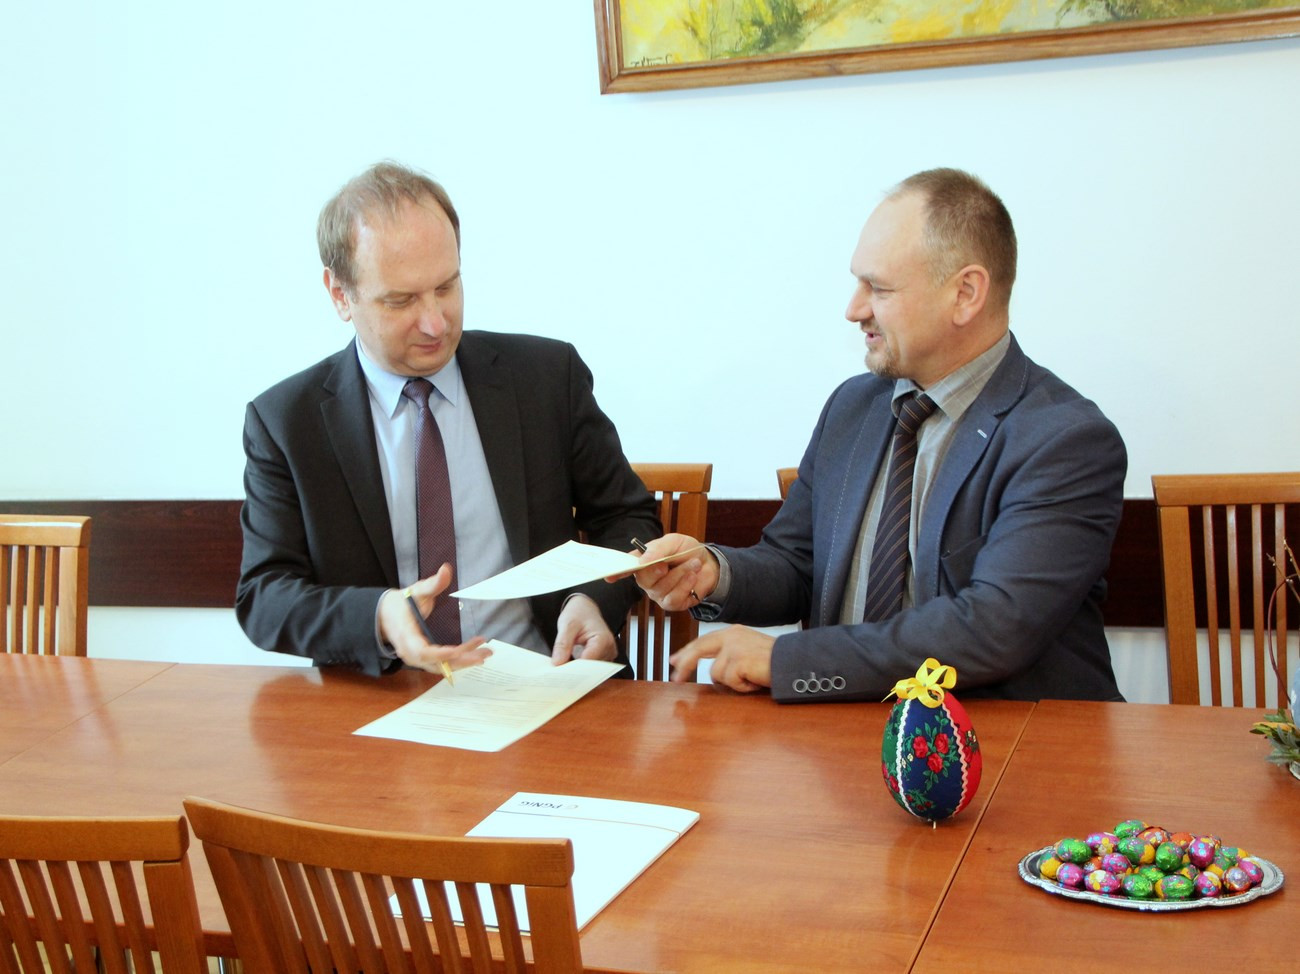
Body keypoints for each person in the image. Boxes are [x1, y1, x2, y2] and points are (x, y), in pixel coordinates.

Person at [634, 168, 1127, 702]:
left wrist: (789, 661)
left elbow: (992, 628)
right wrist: (712, 571)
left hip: (1012, 741)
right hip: (844, 733)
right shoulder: (854, 407)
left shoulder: (1065, 440)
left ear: (965, 293)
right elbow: (798, 565)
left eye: (880, 288)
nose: (854, 309)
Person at [237, 161, 658, 677]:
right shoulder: (286, 422)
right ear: (340, 294)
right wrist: (378, 616)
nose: (436, 323)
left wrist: (591, 600)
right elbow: (265, 596)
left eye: (446, 287)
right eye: (401, 300)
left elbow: (628, 518)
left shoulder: (547, 379)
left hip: (548, 679)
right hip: (385, 700)